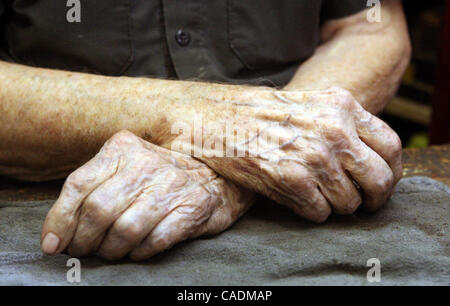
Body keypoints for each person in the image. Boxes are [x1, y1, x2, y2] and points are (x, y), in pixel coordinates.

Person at [0, 0, 411, 260]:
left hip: (296, 205)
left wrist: (259, 156)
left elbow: (371, 25)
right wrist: (213, 124)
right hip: (63, 207)